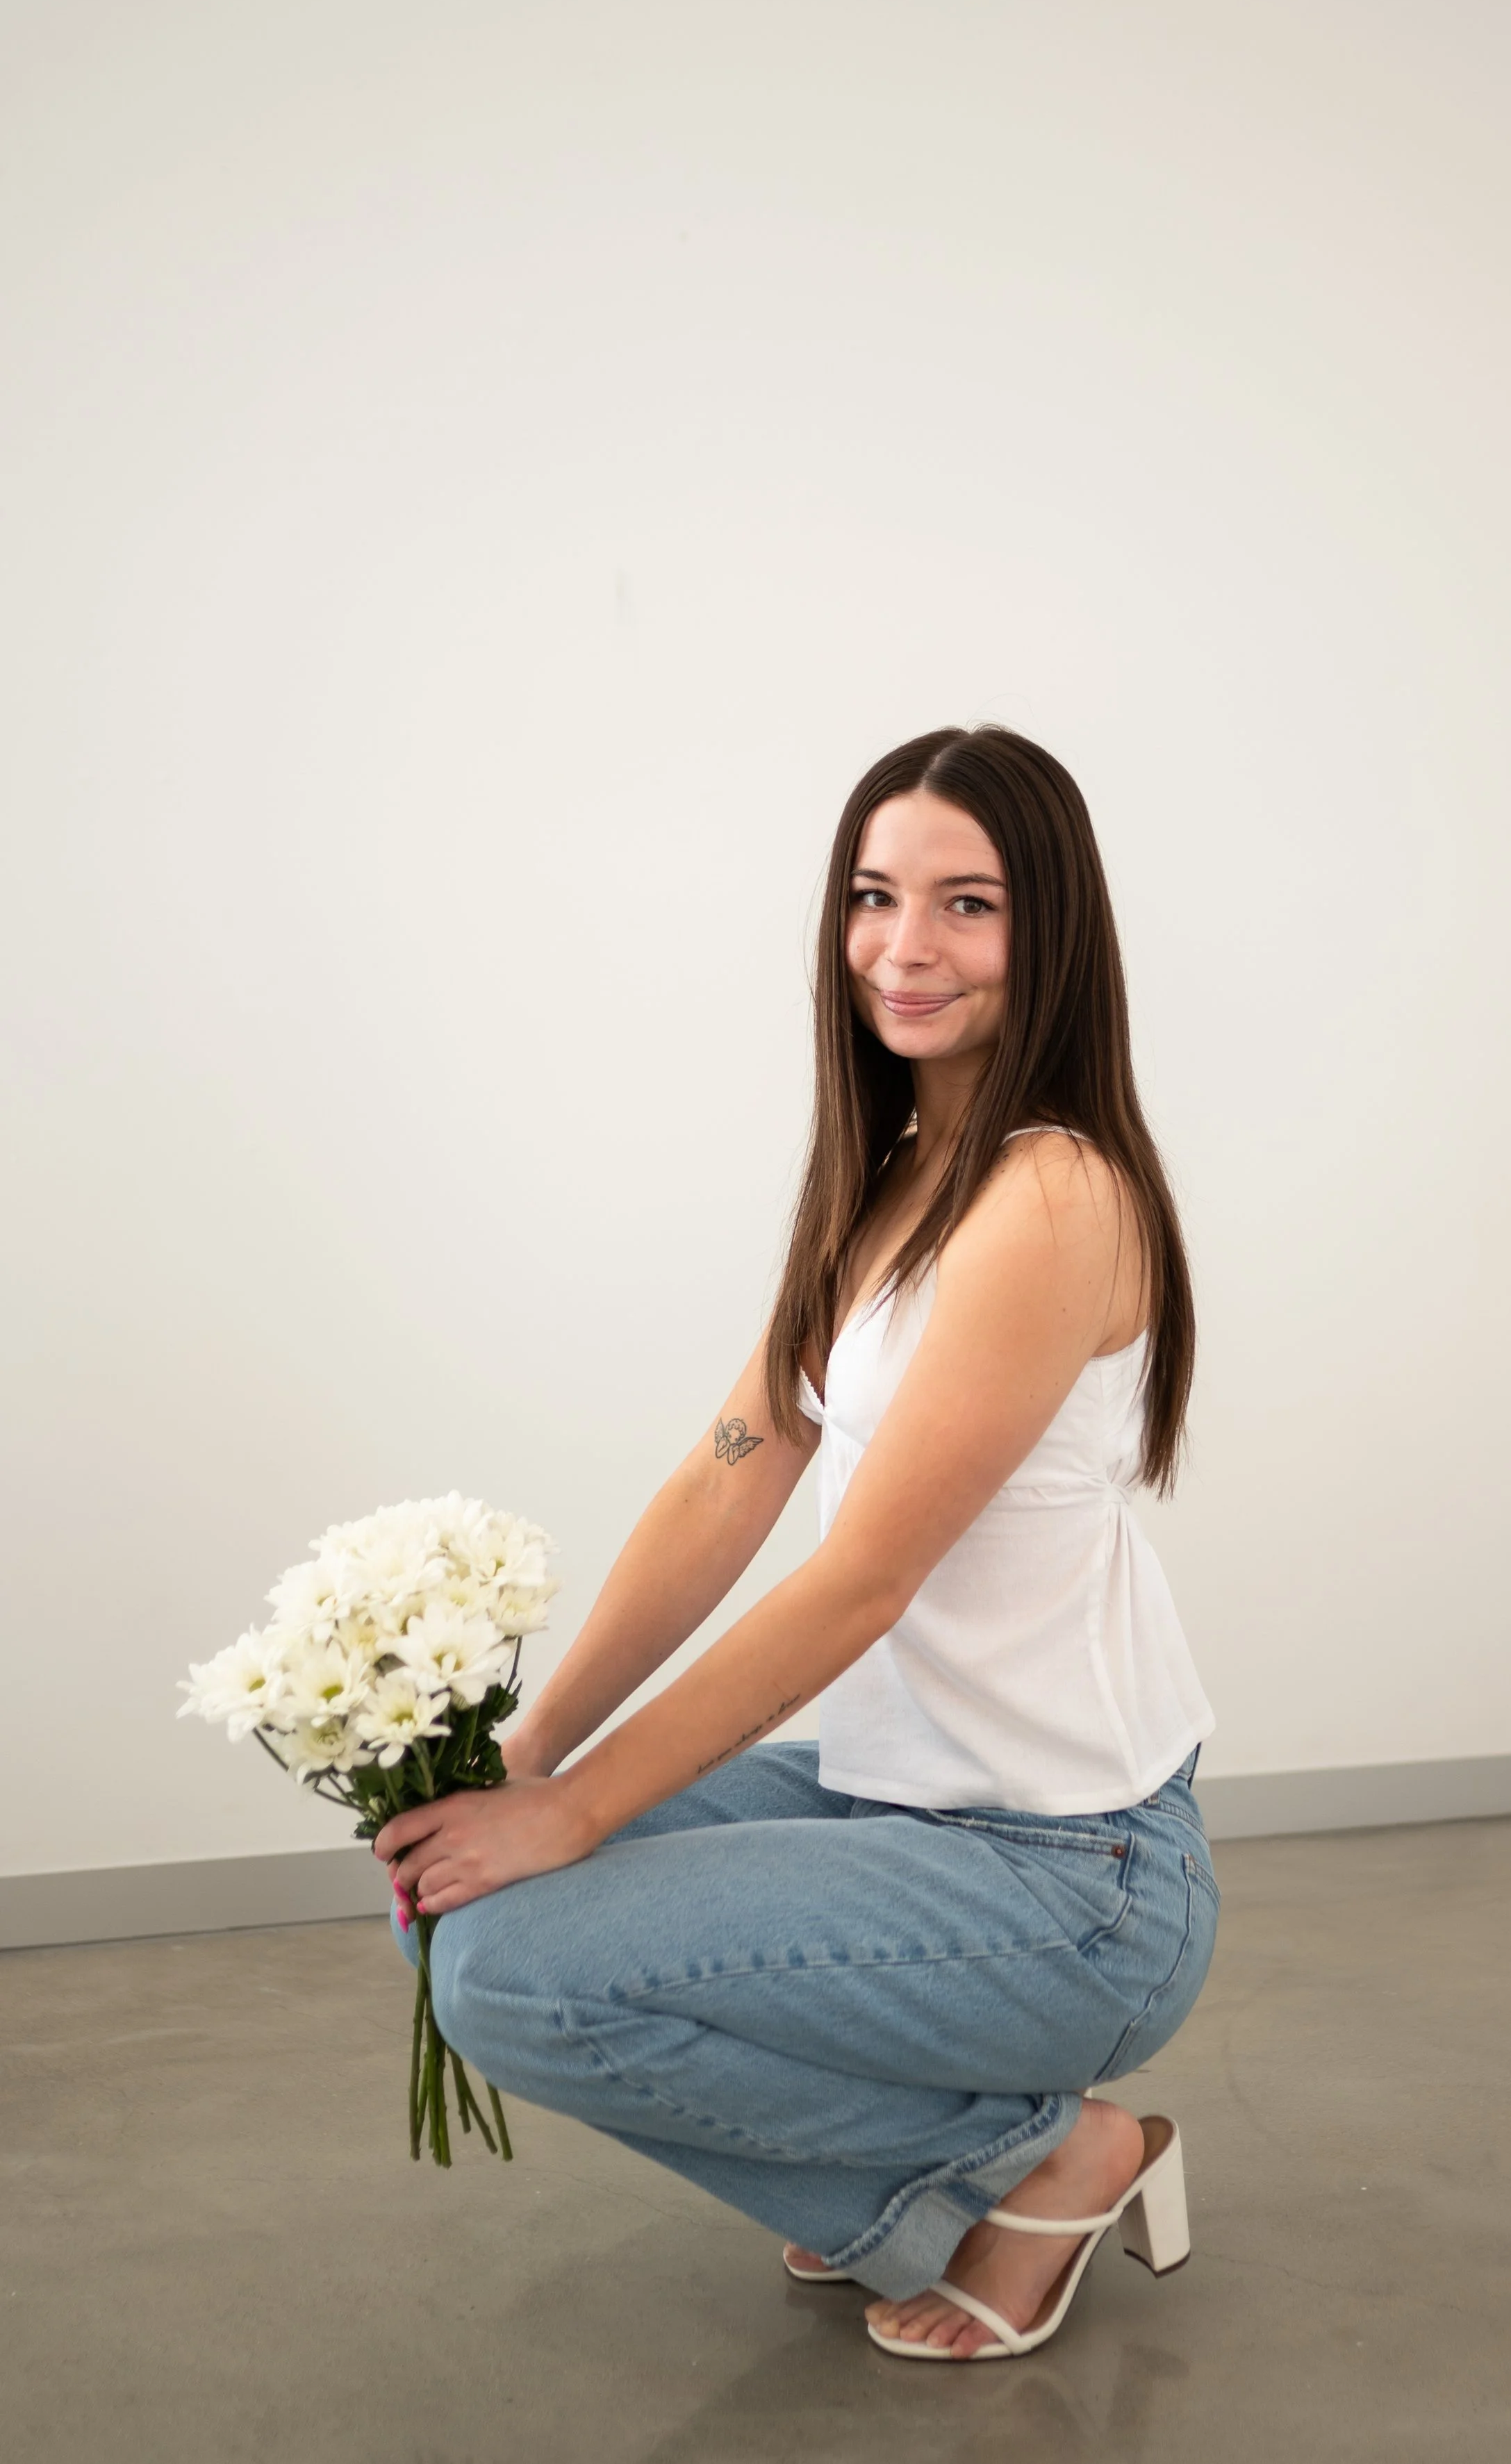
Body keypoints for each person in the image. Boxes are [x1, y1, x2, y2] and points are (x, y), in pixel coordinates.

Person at [377, 723, 1219, 2363]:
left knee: (509, 1976)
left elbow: (858, 1581)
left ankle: (1037, 2159)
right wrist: (527, 1756)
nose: (904, 949)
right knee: (446, 1902)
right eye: (872, 896)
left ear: (1050, 932)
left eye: (966, 905)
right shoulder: (892, 1173)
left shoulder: (1051, 1197)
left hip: (1076, 1880)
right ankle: (933, 2168)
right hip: (899, 1799)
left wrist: (572, 1812)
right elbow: (727, 1475)